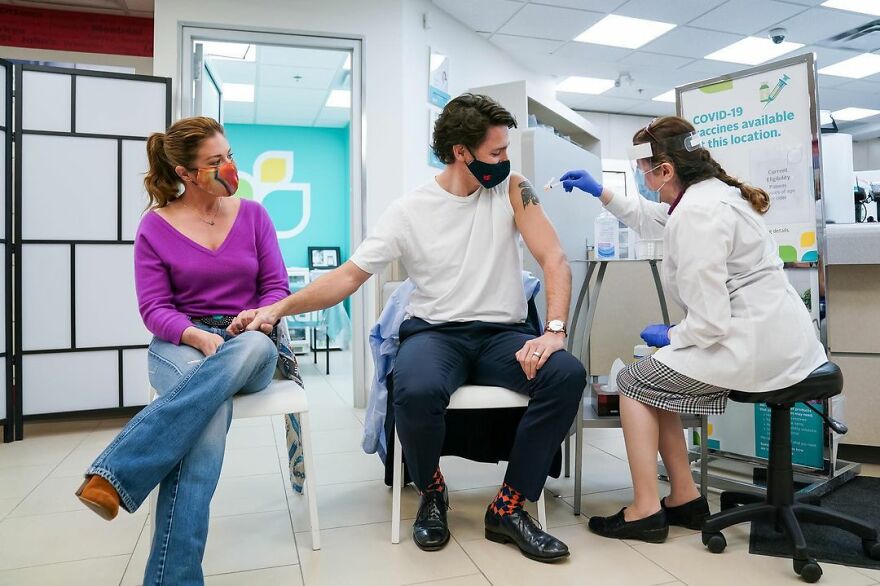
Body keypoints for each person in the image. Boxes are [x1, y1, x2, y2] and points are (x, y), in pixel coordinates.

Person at [230, 94, 586, 562]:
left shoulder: (513, 189)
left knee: (567, 374)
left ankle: (510, 506)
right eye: (497, 153)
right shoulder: (409, 210)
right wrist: (278, 308)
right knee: (412, 389)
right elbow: (347, 276)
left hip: (503, 335)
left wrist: (554, 330)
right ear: (462, 151)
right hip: (437, 334)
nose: (506, 162)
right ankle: (432, 490)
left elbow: (553, 258)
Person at [560, 116, 827, 543]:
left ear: (665, 170)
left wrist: (673, 335)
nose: (638, 176)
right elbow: (658, 219)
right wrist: (603, 192)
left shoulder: (699, 213)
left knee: (632, 381)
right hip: (777, 337)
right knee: (658, 377)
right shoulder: (709, 196)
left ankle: (645, 509)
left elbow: (710, 322)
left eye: (641, 169)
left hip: (754, 345)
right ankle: (684, 497)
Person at [75, 116, 291, 585]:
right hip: (182, 342)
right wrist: (195, 335)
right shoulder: (156, 225)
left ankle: (115, 471)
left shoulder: (254, 215)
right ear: (185, 172)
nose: (229, 167)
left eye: (229, 155)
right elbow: (154, 308)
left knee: (249, 347)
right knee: (207, 425)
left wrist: (255, 317)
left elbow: (275, 288)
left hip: (249, 340)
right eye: (215, 162)